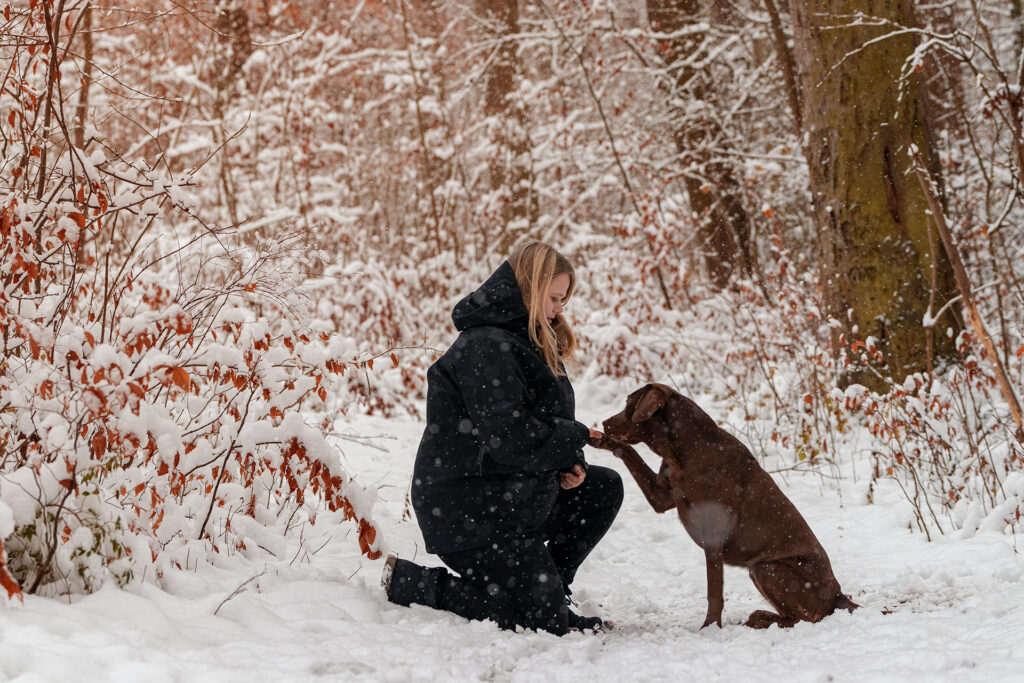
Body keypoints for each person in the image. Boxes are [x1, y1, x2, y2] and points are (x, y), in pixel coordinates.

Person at [382, 241, 623, 635]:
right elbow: (510, 437)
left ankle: (549, 590)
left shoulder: (526, 340)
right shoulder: (485, 346)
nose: (561, 308)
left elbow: (545, 419)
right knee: (540, 623)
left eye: (564, 300)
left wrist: (570, 461)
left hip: (509, 496)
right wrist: (575, 435)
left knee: (602, 487)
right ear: (530, 288)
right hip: (468, 511)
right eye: (556, 297)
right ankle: (418, 584)